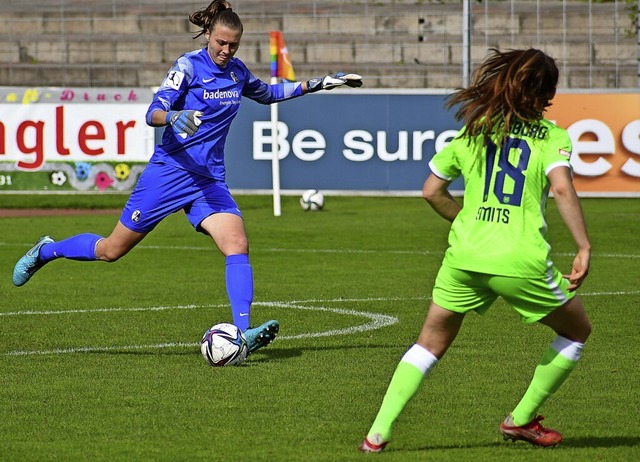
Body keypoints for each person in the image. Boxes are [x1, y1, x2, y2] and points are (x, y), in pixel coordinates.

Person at [12, 0, 362, 356]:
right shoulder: (188, 66)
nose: (226, 51)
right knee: (111, 250)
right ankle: (46, 250)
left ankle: (243, 332)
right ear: (209, 34)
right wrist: (174, 117)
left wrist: (318, 83)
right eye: (221, 43)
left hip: (209, 180)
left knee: (237, 243)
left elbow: (269, 94)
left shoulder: (237, 72)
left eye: (233, 45)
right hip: (170, 173)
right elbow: (154, 112)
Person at [359, 48, 592, 452]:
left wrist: (467, 221)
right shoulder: (553, 137)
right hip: (520, 259)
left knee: (428, 343)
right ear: (546, 93)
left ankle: (376, 434)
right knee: (576, 331)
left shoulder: (474, 132)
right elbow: (560, 187)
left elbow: (432, 191)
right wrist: (583, 246)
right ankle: (520, 420)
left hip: (463, 257)